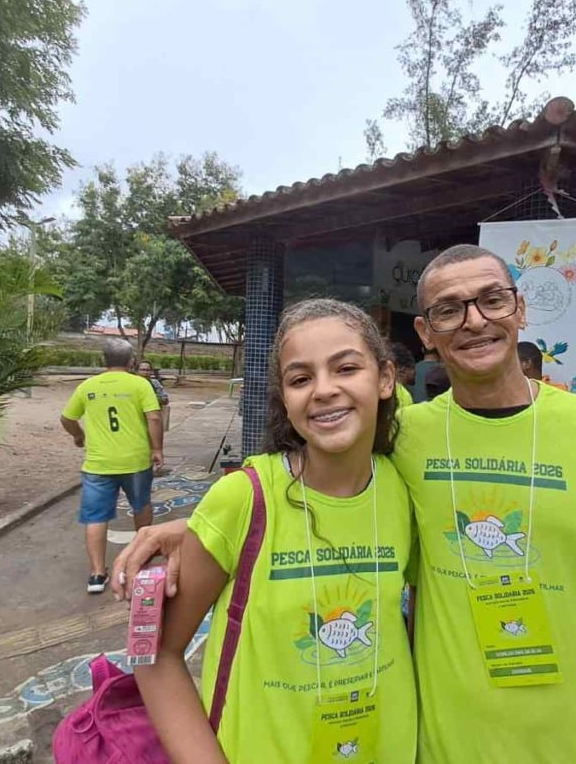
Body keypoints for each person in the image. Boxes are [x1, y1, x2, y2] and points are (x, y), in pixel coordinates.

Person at [115, 245, 576, 764]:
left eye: (491, 299)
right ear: (426, 334)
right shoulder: (406, 440)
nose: (474, 321)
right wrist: (198, 529)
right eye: (448, 310)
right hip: (442, 744)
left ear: (519, 309)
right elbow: (319, 479)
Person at [134, 299, 416, 763]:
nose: (324, 390)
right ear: (285, 397)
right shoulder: (243, 499)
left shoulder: (404, 488)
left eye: (346, 368)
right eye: (301, 378)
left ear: (385, 378)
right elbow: (155, 655)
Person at [60, 338, 163, 593]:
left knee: (96, 517)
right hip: (136, 461)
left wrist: (78, 435)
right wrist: (157, 449)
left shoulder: (88, 386)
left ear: (103, 361)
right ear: (131, 361)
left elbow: (67, 418)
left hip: (98, 465)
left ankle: (96, 575)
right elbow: (154, 416)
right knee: (141, 507)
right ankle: (142, 561)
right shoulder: (140, 384)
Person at [136, 359, 170, 434]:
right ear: (137, 371)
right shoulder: (131, 384)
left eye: (148, 370)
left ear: (151, 371)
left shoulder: (155, 383)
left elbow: (165, 399)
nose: (145, 372)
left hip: (151, 417)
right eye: (142, 370)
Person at [390, 342, 416, 409]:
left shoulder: (380, 388)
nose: (415, 372)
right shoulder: (403, 395)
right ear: (402, 368)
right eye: (412, 367)